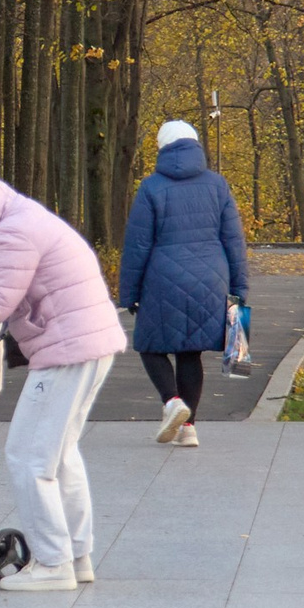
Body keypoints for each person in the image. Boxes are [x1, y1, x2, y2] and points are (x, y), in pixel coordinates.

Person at [0, 162, 128, 592]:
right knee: (59, 455)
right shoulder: (21, 219)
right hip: (86, 345)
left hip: (67, 351)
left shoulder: (9, 234)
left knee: (29, 456)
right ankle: (77, 556)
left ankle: (52, 564)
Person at [118, 119, 249, 447]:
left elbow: (137, 245)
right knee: (190, 353)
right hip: (211, 280)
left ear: (162, 148)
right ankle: (188, 428)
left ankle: (172, 402)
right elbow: (234, 240)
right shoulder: (217, 185)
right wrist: (239, 288)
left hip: (163, 280)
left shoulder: (151, 187)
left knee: (149, 346)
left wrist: (129, 294)